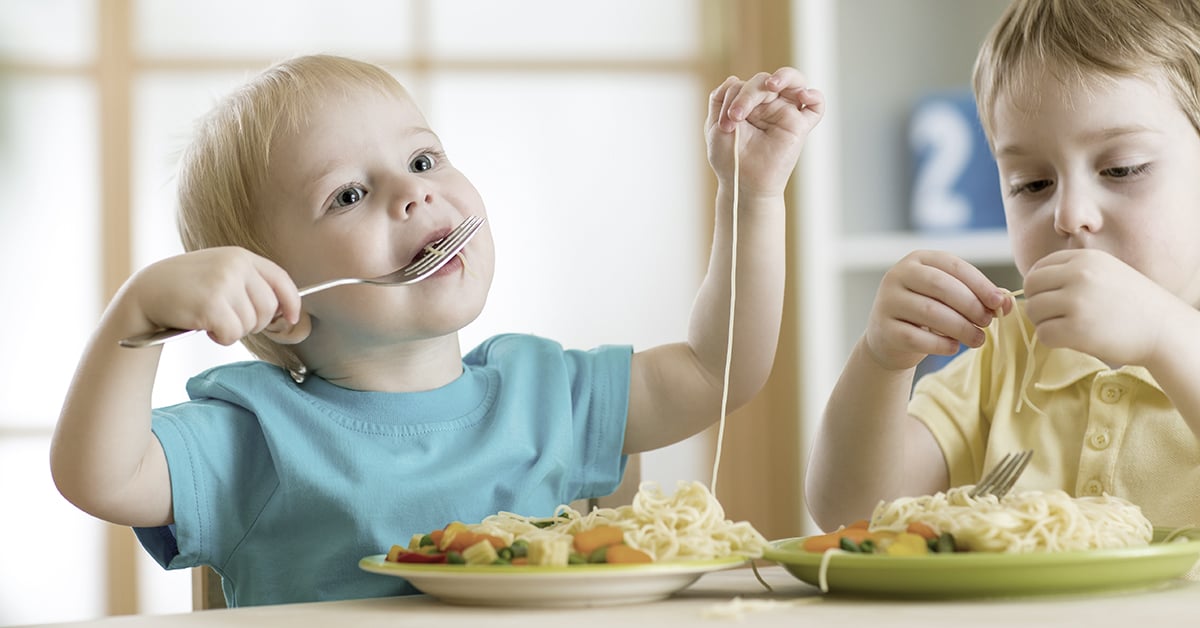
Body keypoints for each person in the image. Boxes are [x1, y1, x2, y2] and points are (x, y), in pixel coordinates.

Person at [49, 54, 824, 606]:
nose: (411, 195)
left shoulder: (549, 392)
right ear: (278, 293)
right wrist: (137, 316)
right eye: (348, 195)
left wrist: (749, 198)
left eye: (423, 159)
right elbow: (100, 477)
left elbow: (721, 370)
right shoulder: (259, 435)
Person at [806, 0, 1200, 532]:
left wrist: (1164, 337)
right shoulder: (1007, 349)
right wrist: (881, 362)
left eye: (1122, 168)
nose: (1070, 214)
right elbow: (849, 514)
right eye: (1031, 184)